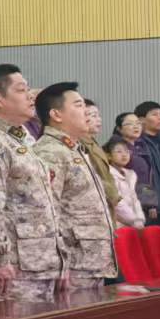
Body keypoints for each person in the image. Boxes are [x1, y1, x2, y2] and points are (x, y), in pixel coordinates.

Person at [0, 64, 64, 300]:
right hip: (14, 268)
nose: (30, 96)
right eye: (21, 90)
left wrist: (60, 257)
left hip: (40, 261)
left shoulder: (19, 139)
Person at [33, 83, 116, 289]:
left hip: (89, 262)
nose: (86, 111)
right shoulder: (50, 152)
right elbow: (45, 212)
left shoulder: (73, 149)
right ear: (56, 115)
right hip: (72, 264)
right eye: (78, 105)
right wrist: (59, 263)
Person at [112, 111, 160, 222]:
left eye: (138, 123)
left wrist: (150, 202)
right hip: (126, 205)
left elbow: (145, 179)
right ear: (119, 128)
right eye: (130, 124)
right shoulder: (116, 149)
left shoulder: (141, 147)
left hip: (141, 202)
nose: (136, 126)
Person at [110, 139, 147, 229]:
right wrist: (134, 221)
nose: (124, 155)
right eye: (119, 151)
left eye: (127, 151)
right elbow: (117, 203)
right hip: (116, 223)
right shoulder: (107, 174)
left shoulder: (131, 174)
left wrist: (140, 220)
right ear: (108, 156)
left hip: (134, 224)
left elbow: (135, 199)